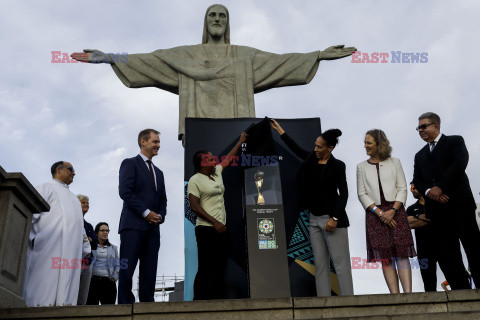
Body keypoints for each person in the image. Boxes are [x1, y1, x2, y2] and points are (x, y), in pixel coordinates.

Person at [71, 4, 356, 141]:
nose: (217, 20)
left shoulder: (244, 55)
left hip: (239, 132)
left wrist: (317, 54)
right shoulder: (186, 55)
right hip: (201, 133)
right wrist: (110, 57)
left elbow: (280, 63)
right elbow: (150, 61)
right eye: (212, 15)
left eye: (222, 16)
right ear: (205, 22)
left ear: (227, 23)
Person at [270, 119, 353, 297]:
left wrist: (335, 218)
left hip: (332, 220)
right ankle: (323, 303)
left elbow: (344, 193)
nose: (315, 149)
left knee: (340, 263)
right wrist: (280, 131)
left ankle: (349, 302)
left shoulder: (338, 166)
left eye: (319, 147)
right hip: (313, 220)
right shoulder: (311, 160)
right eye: (315, 146)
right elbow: (296, 149)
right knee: (320, 264)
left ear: (330, 148)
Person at [412, 112, 480, 289]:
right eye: (418, 128)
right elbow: (417, 180)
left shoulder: (455, 141)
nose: (420, 130)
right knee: (449, 255)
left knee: (473, 249)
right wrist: (429, 191)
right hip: (438, 212)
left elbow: (459, 163)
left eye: (424, 126)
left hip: (461, 206)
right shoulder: (419, 155)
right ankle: (461, 292)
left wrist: (440, 187)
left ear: (436, 125)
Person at [187, 132, 247, 300]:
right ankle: (198, 302)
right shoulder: (195, 180)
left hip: (221, 229)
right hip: (206, 229)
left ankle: (217, 302)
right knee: (205, 267)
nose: (215, 160)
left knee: (220, 267)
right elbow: (194, 206)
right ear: (202, 162)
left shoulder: (217, 173)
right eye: (211, 159)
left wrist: (240, 141)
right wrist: (215, 222)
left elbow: (228, 159)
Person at [21, 161, 89, 306]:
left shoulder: (74, 200)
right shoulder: (45, 188)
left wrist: (84, 249)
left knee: (67, 291)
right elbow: (31, 214)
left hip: (72, 254)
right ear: (58, 170)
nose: (74, 173)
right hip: (48, 248)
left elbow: (79, 227)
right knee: (44, 287)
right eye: (71, 169)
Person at [356, 129, 416, 293]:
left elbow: (402, 189)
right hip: (375, 216)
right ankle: (395, 297)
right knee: (385, 257)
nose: (365, 146)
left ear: (379, 144)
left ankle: (409, 296)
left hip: (397, 212)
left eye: (369, 143)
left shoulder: (395, 162)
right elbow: (362, 194)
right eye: (365, 142)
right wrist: (380, 213)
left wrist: (393, 211)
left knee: (402, 254)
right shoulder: (361, 167)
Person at [118, 129, 167, 303]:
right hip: (133, 226)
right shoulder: (130, 163)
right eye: (155, 142)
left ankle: (148, 304)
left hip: (153, 229)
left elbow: (163, 199)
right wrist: (146, 213)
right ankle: (124, 304)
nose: (158, 145)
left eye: (158, 142)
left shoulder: (159, 173)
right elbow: (125, 192)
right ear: (143, 142)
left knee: (150, 270)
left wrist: (159, 216)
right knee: (127, 267)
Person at [406, 184, 438, 292]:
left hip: (443, 244)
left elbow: (443, 217)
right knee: (429, 283)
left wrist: (420, 217)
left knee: (454, 275)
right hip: (424, 248)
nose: (412, 190)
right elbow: (409, 224)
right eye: (410, 188)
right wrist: (428, 217)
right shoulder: (411, 208)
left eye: (414, 187)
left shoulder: (436, 203)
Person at [87, 222, 119, 305]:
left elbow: (118, 264)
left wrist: (115, 277)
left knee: (109, 310)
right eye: (103, 230)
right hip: (93, 281)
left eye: (107, 230)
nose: (105, 232)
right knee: (91, 309)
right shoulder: (91, 246)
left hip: (108, 282)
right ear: (97, 233)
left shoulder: (113, 248)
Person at [77, 194, 98, 305]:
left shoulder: (89, 226)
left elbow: (94, 243)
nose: (86, 205)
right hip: (74, 260)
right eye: (83, 202)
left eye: (87, 203)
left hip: (87, 261)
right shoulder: (73, 221)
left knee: (83, 291)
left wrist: (88, 240)